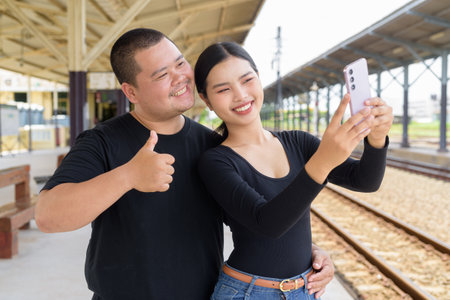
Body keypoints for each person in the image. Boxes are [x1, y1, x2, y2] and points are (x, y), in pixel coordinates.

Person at [35, 28, 334, 300]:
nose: (180, 77)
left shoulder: (214, 147)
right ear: (131, 92)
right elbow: (48, 216)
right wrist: (128, 176)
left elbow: (257, 220)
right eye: (162, 74)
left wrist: (308, 254)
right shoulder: (102, 141)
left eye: (180, 63)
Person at [194, 42, 393, 299]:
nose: (241, 95)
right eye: (223, 89)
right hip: (247, 292)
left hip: (305, 289)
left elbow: (364, 180)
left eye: (247, 80)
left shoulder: (298, 142)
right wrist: (322, 162)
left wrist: (376, 139)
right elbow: (268, 223)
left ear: (259, 78)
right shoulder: (216, 162)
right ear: (206, 100)